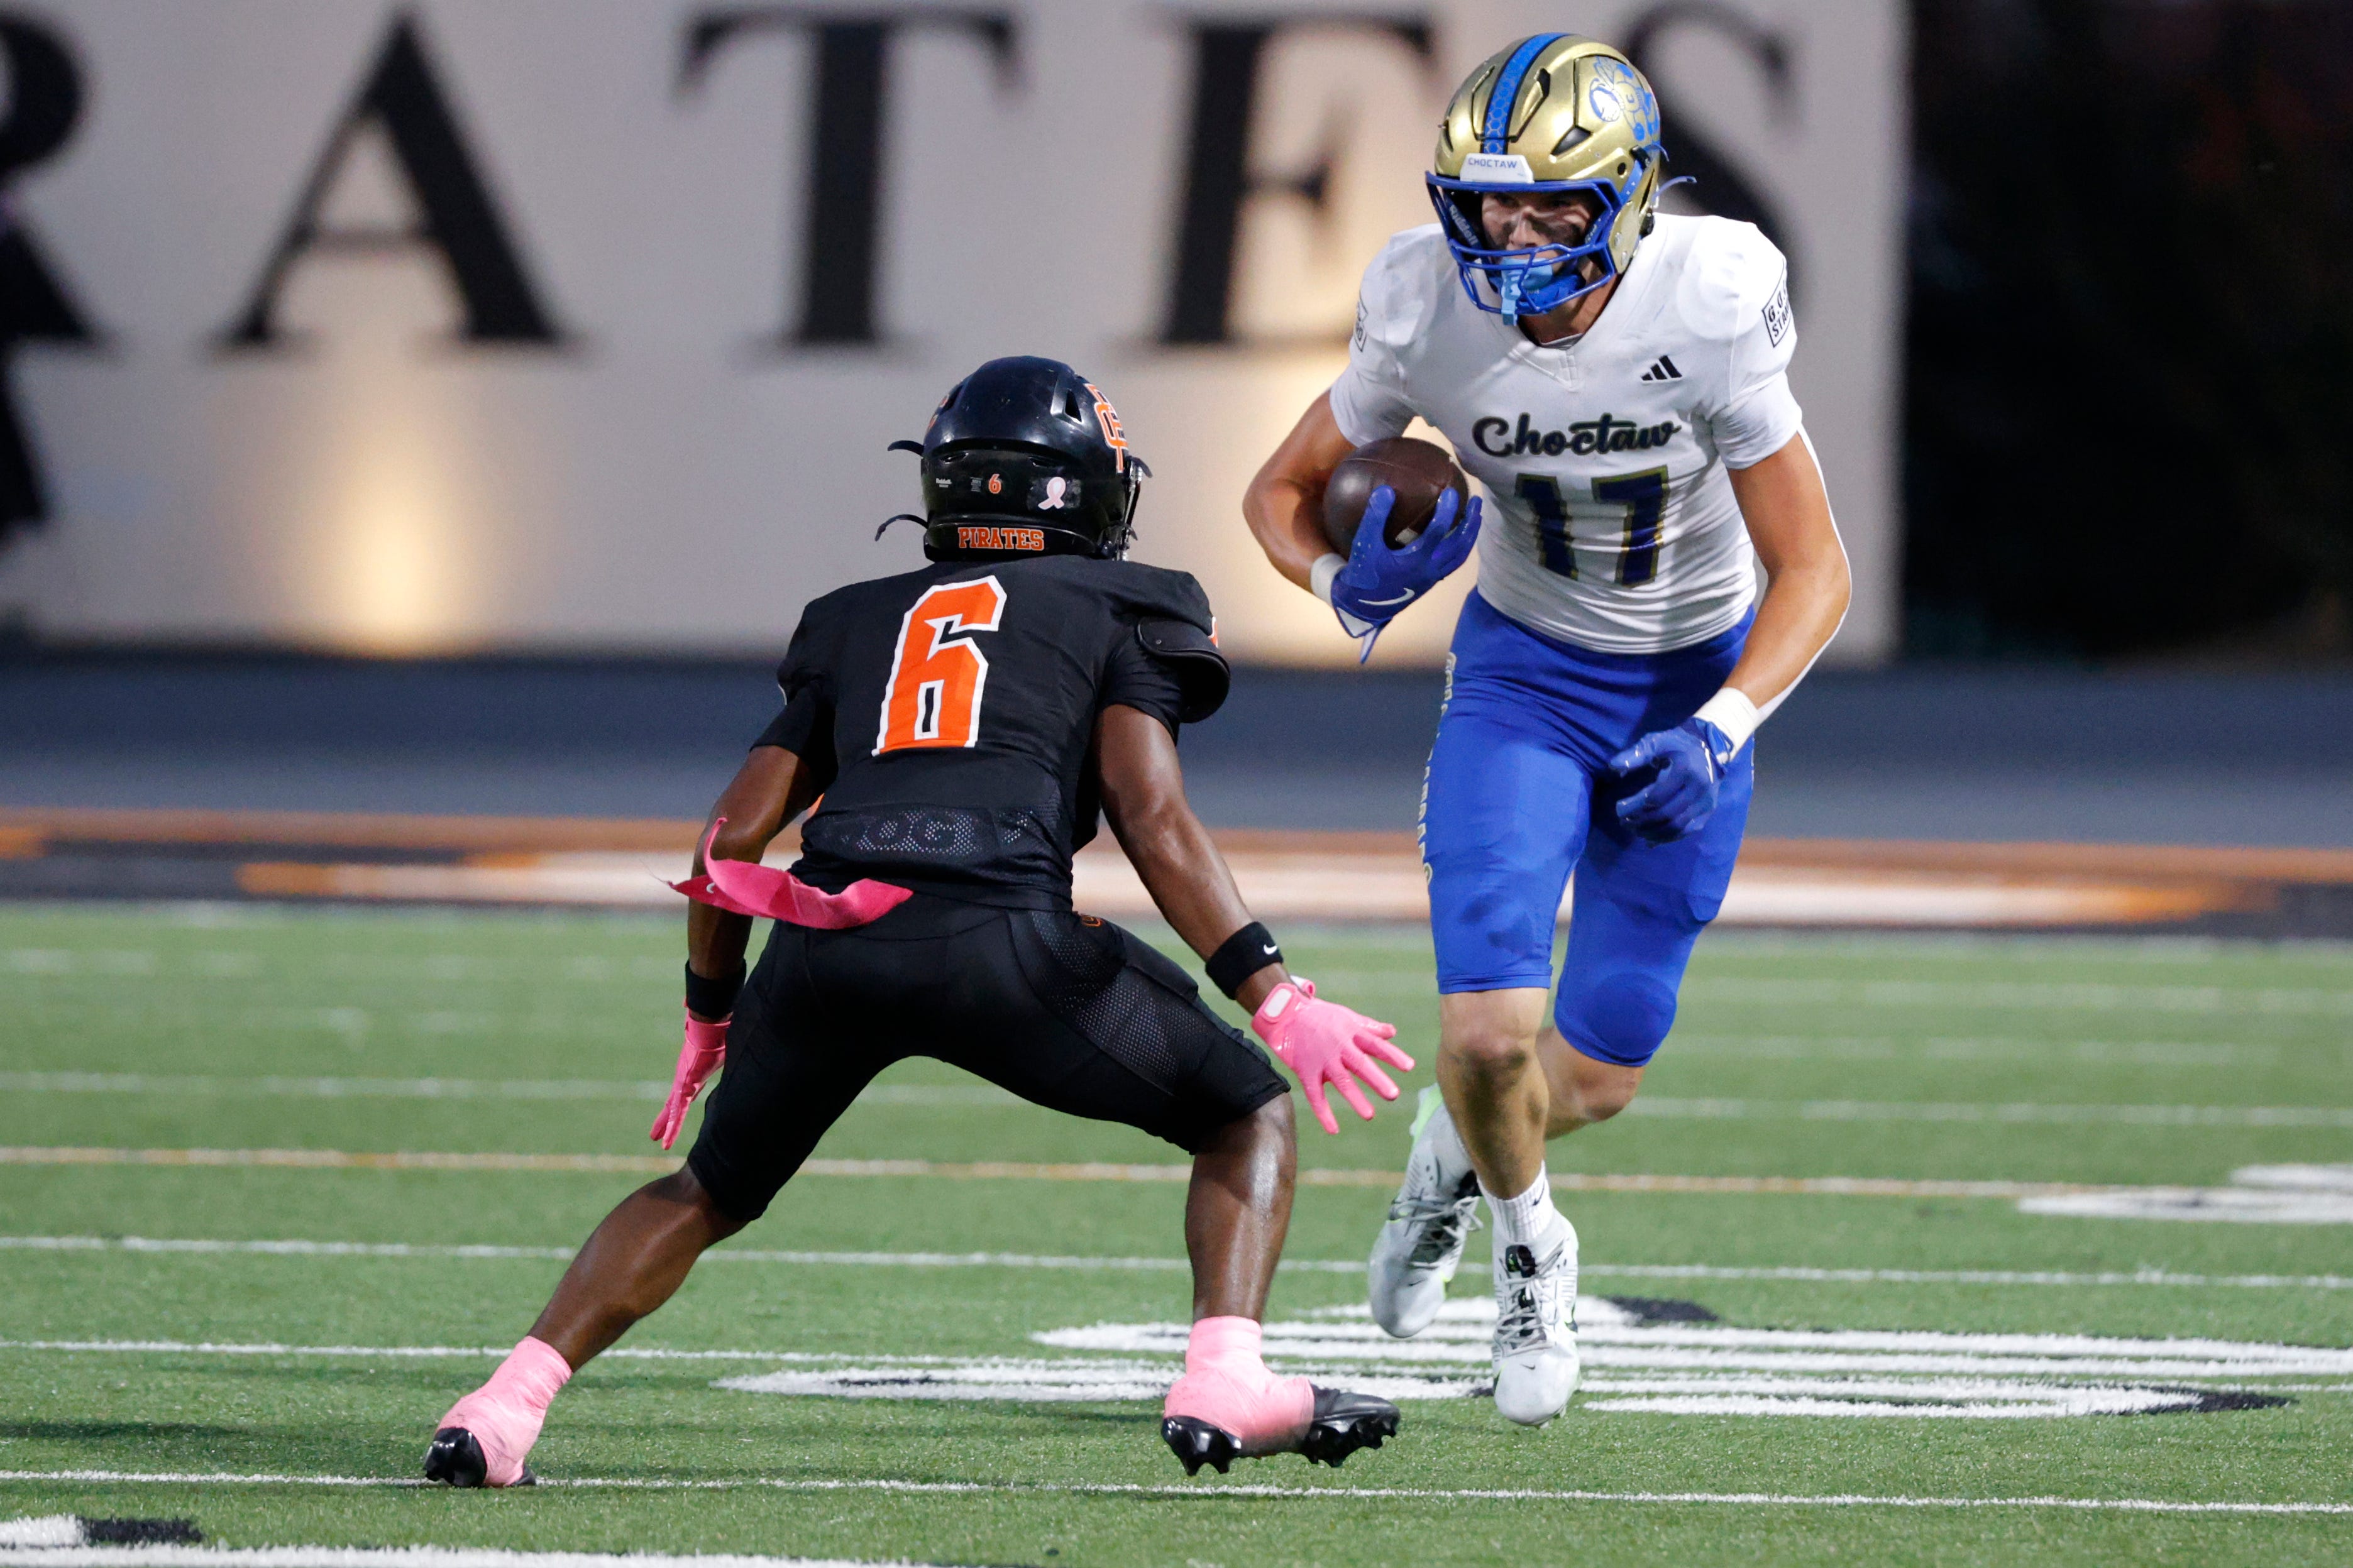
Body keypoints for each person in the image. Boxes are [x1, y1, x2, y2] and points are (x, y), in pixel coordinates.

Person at [422, 356, 1415, 1486]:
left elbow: (729, 844)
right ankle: (1226, 1373)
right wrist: (1272, 993)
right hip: (1004, 944)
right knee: (1247, 1114)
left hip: (826, 944)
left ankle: (500, 1409)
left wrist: (712, 1010)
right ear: (1086, 490)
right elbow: (1154, 818)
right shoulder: (1130, 602)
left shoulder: (853, 620)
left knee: (709, 1189)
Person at [1242, 36, 1851, 1427]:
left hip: (1690, 678)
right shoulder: (1421, 300)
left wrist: (1723, 725)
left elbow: (1816, 571)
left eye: (1553, 209)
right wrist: (1342, 582)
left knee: (1606, 1064)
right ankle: (1533, 1250)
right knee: (1488, 1033)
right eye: (1492, 208)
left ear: (1629, 200)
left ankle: (1446, 1164)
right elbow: (1279, 497)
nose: (1515, 240)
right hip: (1523, 674)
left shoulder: (1710, 297)